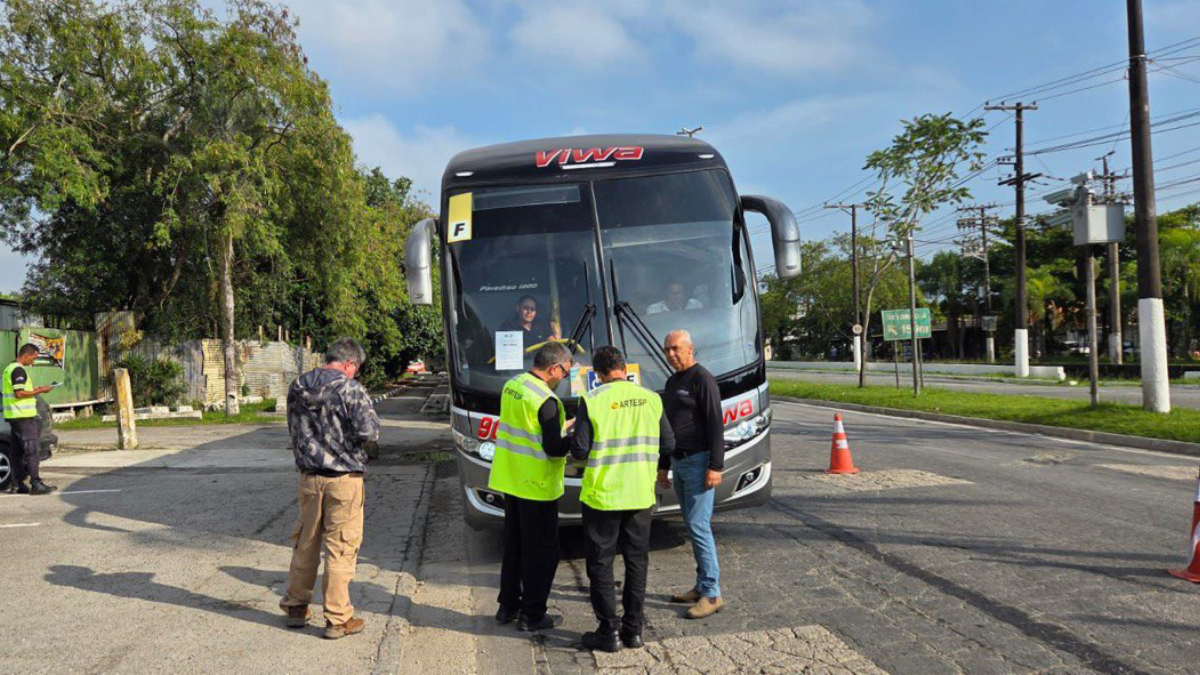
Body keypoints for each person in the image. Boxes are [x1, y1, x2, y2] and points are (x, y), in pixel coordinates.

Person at [568, 346, 674, 652]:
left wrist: (573, 433)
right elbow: (669, 443)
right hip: (639, 493)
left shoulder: (592, 399)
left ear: (598, 374)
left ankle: (608, 632)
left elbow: (580, 450)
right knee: (637, 562)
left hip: (603, 496)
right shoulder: (651, 398)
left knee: (601, 564)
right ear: (624, 368)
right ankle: (633, 631)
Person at [280, 338, 381, 639]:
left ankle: (296, 607)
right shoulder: (351, 389)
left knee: (306, 543)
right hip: (344, 480)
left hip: (309, 478)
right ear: (349, 364)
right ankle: (338, 619)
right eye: (356, 368)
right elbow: (369, 432)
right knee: (340, 548)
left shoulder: (298, 386)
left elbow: (293, 428)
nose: (355, 373)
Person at [489, 341, 574, 631]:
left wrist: (560, 426)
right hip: (537, 485)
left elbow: (527, 428)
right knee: (542, 552)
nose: (564, 378)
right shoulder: (547, 401)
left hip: (512, 479)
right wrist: (574, 438)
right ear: (554, 368)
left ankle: (508, 606)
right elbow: (553, 448)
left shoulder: (513, 385)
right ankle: (533, 614)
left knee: (514, 545)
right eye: (565, 372)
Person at [659, 329, 725, 619]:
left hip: (699, 462)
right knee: (691, 524)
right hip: (679, 462)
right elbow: (667, 427)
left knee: (698, 526)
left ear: (690, 348)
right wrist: (663, 465)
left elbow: (715, 424)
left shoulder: (702, 379)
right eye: (667, 349)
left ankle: (712, 593)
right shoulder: (673, 381)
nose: (671, 354)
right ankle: (700, 586)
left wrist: (716, 466)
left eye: (675, 348)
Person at [3, 343, 56, 495]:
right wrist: (39, 390)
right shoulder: (18, 370)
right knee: (32, 450)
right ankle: (36, 483)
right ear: (26, 355)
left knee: (17, 452)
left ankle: (17, 484)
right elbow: (19, 393)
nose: (33, 361)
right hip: (23, 417)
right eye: (33, 358)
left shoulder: (9, 369)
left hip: (14, 416)